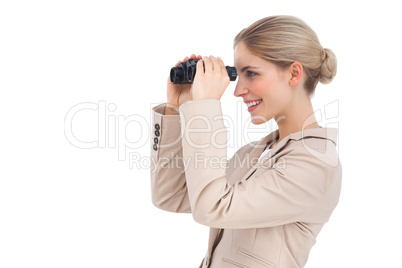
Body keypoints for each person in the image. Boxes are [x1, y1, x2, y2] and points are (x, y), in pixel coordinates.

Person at [150, 15, 341, 268]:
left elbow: (212, 207)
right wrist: (178, 109)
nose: (238, 90)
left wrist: (205, 107)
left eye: (251, 73)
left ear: (294, 73)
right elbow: (172, 196)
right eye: (236, 75)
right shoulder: (254, 152)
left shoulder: (317, 163)